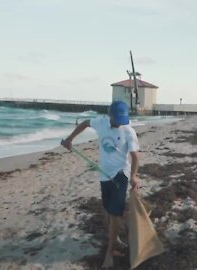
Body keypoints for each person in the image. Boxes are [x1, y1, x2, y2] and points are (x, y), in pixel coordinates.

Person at [62, 101, 140, 268]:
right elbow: (84, 123)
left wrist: (133, 176)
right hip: (104, 174)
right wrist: (70, 139)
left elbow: (135, 157)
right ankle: (116, 239)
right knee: (107, 209)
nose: (119, 122)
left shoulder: (128, 131)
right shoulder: (101, 122)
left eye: (122, 119)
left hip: (121, 175)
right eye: (117, 118)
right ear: (109, 114)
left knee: (115, 213)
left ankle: (109, 254)